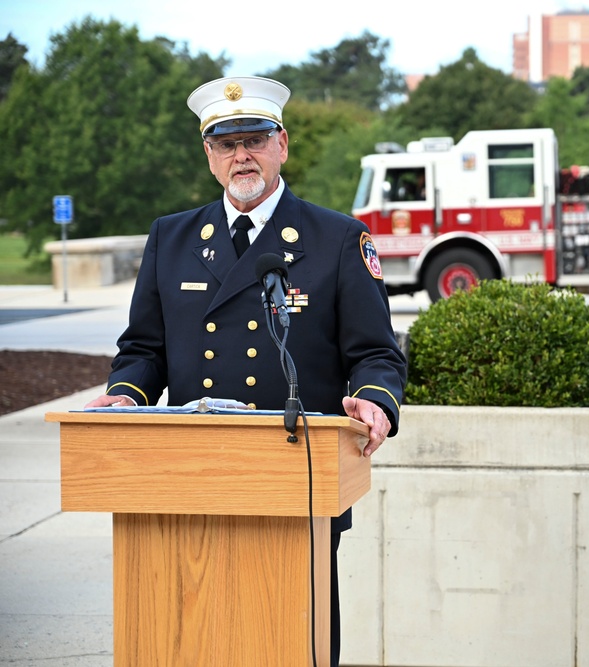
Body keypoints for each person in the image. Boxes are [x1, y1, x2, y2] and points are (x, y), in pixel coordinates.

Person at [85, 76, 407, 663]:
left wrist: (375, 399)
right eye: (225, 143)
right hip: (190, 477)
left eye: (254, 139)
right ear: (209, 155)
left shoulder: (338, 239)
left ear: (282, 145)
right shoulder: (172, 237)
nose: (241, 155)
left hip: (296, 474)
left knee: (290, 636)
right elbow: (143, 349)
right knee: (194, 631)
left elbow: (375, 353)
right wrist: (125, 396)